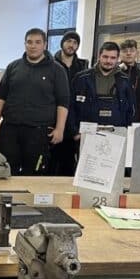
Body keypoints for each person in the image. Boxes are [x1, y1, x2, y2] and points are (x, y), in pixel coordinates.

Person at [0, 28, 69, 176]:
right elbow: (1, 97)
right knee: (5, 172)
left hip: (39, 132)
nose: (33, 46)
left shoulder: (57, 70)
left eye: (38, 42)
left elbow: (63, 102)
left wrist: (60, 129)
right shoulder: (13, 67)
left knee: (34, 173)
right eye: (29, 42)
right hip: (10, 129)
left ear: (45, 45)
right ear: (25, 44)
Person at [70, 41, 135, 132]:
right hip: (86, 134)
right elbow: (71, 107)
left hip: (117, 134)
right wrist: (74, 132)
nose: (108, 61)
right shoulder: (81, 78)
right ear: (99, 56)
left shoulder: (125, 81)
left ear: (117, 59)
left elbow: (131, 110)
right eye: (105, 57)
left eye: (112, 58)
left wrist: (127, 132)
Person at [51, 31, 87, 175]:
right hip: (53, 119)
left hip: (74, 123)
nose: (71, 45)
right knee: (51, 163)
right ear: (62, 43)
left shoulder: (82, 67)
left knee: (69, 166)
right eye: (68, 41)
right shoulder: (51, 64)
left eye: (75, 42)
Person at [119, 39, 140, 123]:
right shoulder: (114, 73)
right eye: (125, 51)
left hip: (136, 120)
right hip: (116, 118)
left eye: (132, 51)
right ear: (119, 54)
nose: (128, 53)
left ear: (137, 53)